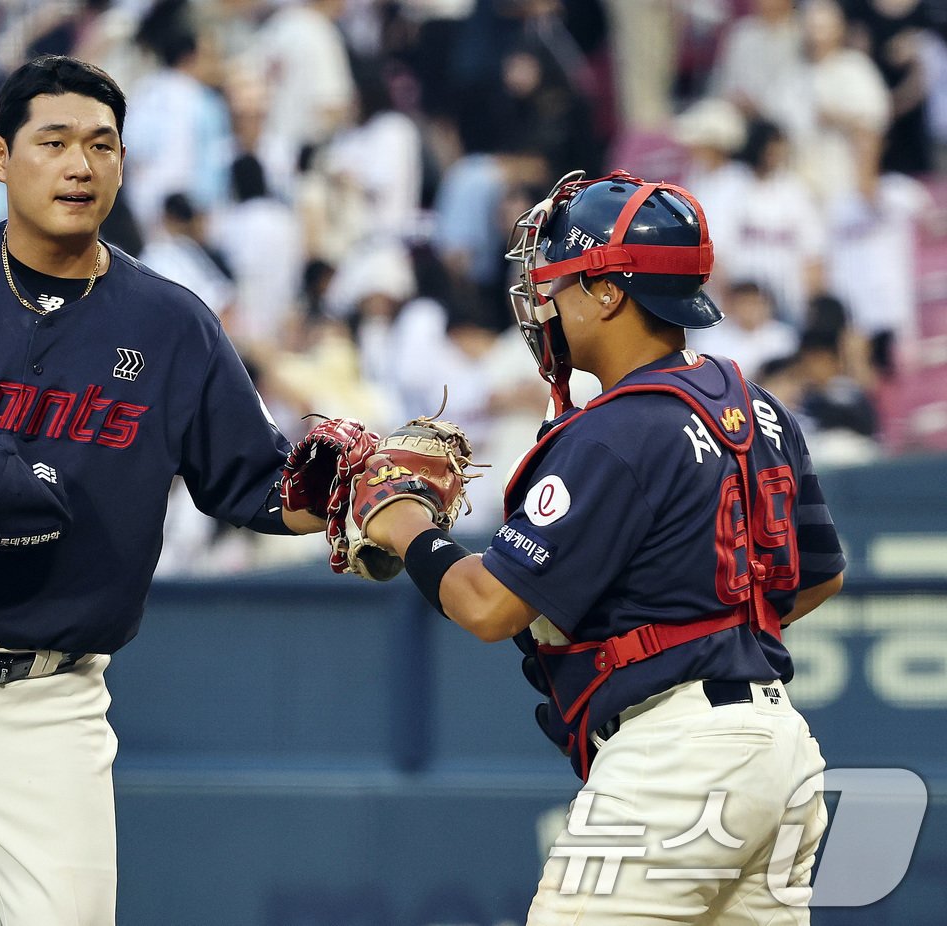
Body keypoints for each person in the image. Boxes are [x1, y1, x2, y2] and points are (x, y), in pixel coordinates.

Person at [0, 54, 354, 924]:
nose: (80, 165)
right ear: (2, 157)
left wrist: (354, 500)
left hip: (50, 701)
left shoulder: (170, 324)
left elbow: (253, 486)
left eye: (102, 145)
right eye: (55, 142)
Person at [348, 170, 845, 923]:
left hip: (678, 761)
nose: (544, 299)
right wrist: (689, 630)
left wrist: (406, 522)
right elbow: (815, 579)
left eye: (562, 281)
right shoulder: (757, 404)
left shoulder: (617, 430)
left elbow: (487, 608)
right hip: (781, 749)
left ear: (610, 292)